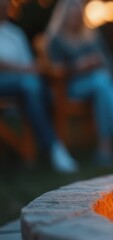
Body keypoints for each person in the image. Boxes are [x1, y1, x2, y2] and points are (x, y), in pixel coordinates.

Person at [46, 0, 113, 165]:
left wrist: (99, 62)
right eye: (72, 15)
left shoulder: (92, 37)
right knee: (110, 87)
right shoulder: (56, 40)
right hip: (71, 87)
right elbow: (55, 70)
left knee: (110, 89)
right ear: (64, 16)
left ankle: (105, 148)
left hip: (98, 86)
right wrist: (78, 65)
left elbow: (110, 65)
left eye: (78, 15)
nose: (75, 18)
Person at [0, 0, 78, 173]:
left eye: (5, 4)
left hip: (20, 84)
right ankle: (53, 146)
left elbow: (29, 65)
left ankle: (49, 147)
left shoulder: (15, 34)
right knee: (31, 85)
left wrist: (36, 68)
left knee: (32, 86)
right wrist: (22, 69)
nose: (3, 6)